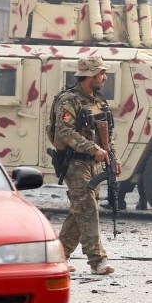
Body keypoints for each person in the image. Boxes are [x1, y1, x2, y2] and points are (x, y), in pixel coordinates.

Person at [53, 55, 121, 275]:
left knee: (79, 211)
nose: (105, 77)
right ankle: (97, 259)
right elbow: (64, 131)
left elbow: (107, 136)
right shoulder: (68, 100)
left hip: (95, 165)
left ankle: (57, 256)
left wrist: (113, 156)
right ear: (90, 75)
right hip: (74, 163)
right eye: (101, 73)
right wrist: (92, 149)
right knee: (88, 208)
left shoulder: (99, 101)